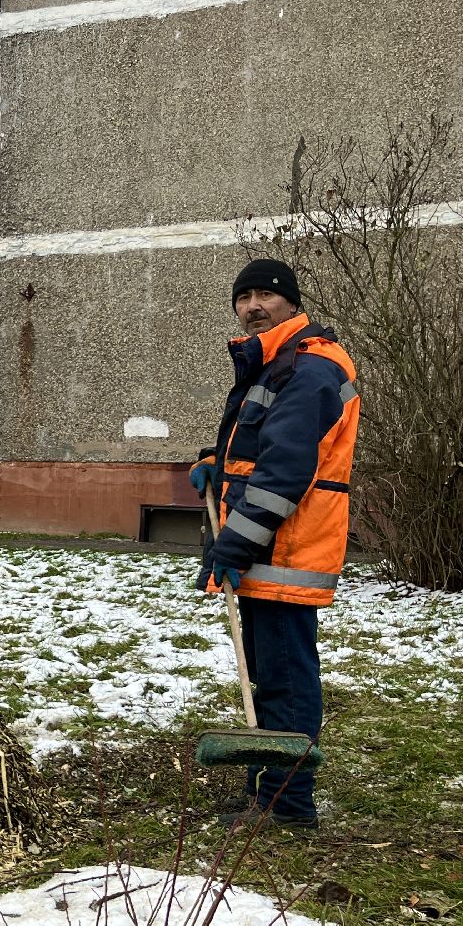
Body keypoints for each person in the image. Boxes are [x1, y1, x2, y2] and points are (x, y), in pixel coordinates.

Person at [189, 258, 360, 832]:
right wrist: (215, 465)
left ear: (291, 303)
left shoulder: (310, 368)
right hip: (268, 549)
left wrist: (233, 548)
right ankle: (264, 795)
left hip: (287, 552)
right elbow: (259, 449)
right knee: (267, 678)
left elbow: (285, 472)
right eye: (244, 296)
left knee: (285, 680)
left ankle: (286, 807)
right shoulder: (273, 364)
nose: (253, 305)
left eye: (266, 295)